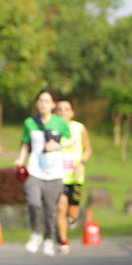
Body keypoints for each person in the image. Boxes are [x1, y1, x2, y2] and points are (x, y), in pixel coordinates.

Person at [14, 88, 72, 256]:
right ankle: (36, 233)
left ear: (53, 104)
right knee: (33, 202)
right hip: (35, 170)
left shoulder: (60, 122)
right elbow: (26, 143)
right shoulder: (29, 122)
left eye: (47, 101)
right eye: (40, 101)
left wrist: (57, 145)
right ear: (36, 104)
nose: (43, 104)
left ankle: (48, 239)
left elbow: (70, 140)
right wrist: (21, 159)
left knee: (51, 210)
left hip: (54, 173)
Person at [54, 99, 92, 254]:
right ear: (55, 112)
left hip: (76, 176)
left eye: (66, 109)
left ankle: (68, 221)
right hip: (58, 175)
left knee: (72, 214)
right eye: (60, 109)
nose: (63, 111)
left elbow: (88, 149)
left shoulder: (79, 128)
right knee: (61, 205)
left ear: (72, 112)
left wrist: (81, 163)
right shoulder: (52, 129)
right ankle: (63, 241)